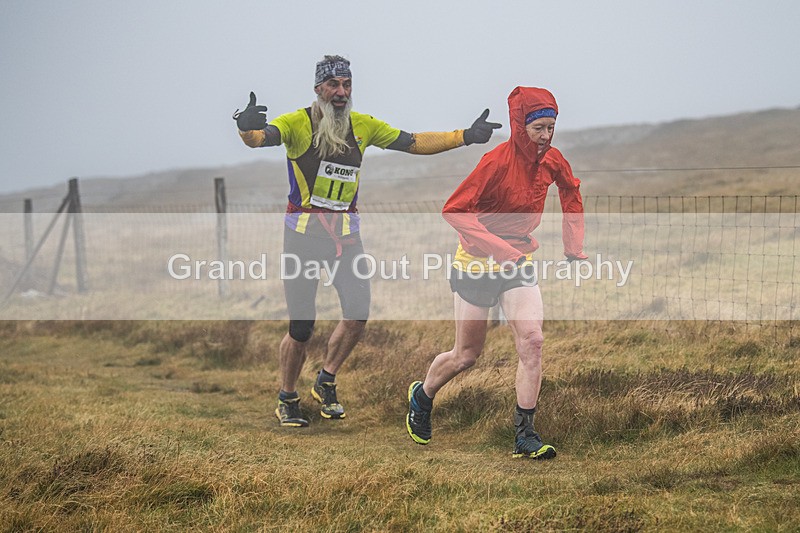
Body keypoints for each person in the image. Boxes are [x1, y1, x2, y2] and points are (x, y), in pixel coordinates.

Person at [234, 55, 501, 428]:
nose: (341, 92)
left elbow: (412, 142)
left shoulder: (363, 125)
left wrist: (464, 137)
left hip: (346, 237)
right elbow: (262, 138)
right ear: (318, 90)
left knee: (358, 315)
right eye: (333, 85)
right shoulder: (297, 123)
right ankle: (287, 396)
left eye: (346, 85)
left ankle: (326, 380)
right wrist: (246, 130)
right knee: (301, 327)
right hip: (302, 238)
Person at [405, 86, 587, 459]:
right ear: (520, 127)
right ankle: (422, 398)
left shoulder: (552, 160)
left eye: (551, 127)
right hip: (475, 261)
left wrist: (573, 246)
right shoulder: (495, 161)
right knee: (466, 355)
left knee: (533, 341)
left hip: (518, 262)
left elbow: (572, 191)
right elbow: (454, 210)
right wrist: (498, 250)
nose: (546, 136)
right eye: (539, 128)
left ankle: (525, 435)